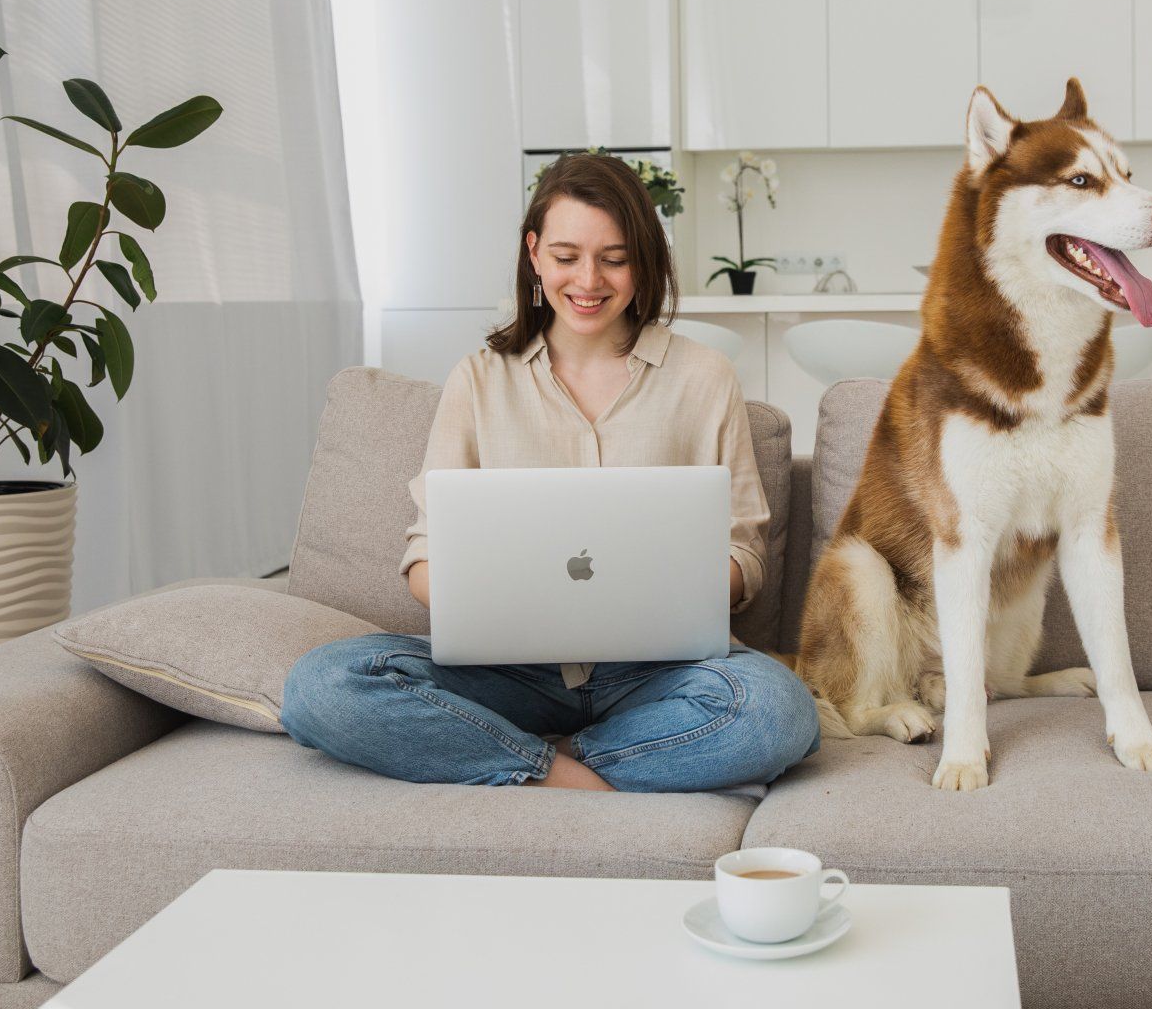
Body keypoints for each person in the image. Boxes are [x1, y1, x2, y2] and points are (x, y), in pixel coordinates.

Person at [281, 153, 821, 791]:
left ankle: (531, 756)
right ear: (534, 254)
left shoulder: (703, 377)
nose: (588, 280)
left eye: (614, 259)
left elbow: (745, 555)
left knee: (776, 712)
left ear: (644, 260)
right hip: (507, 671)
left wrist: (679, 583)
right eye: (567, 257)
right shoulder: (479, 378)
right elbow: (424, 558)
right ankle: (566, 772)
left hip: (657, 673)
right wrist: (490, 595)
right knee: (323, 685)